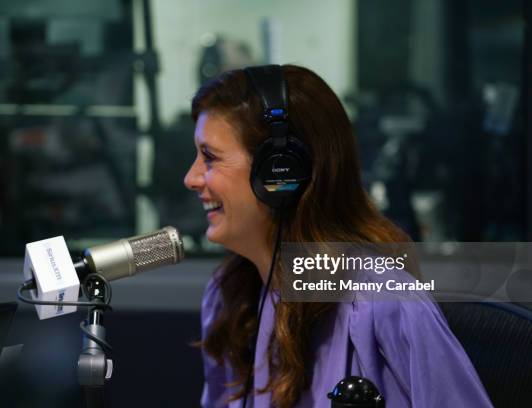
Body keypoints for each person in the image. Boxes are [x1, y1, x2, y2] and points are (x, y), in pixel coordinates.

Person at [183, 65, 492, 408]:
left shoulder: (385, 303)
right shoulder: (230, 295)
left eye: (210, 157)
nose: (191, 178)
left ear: (279, 171)